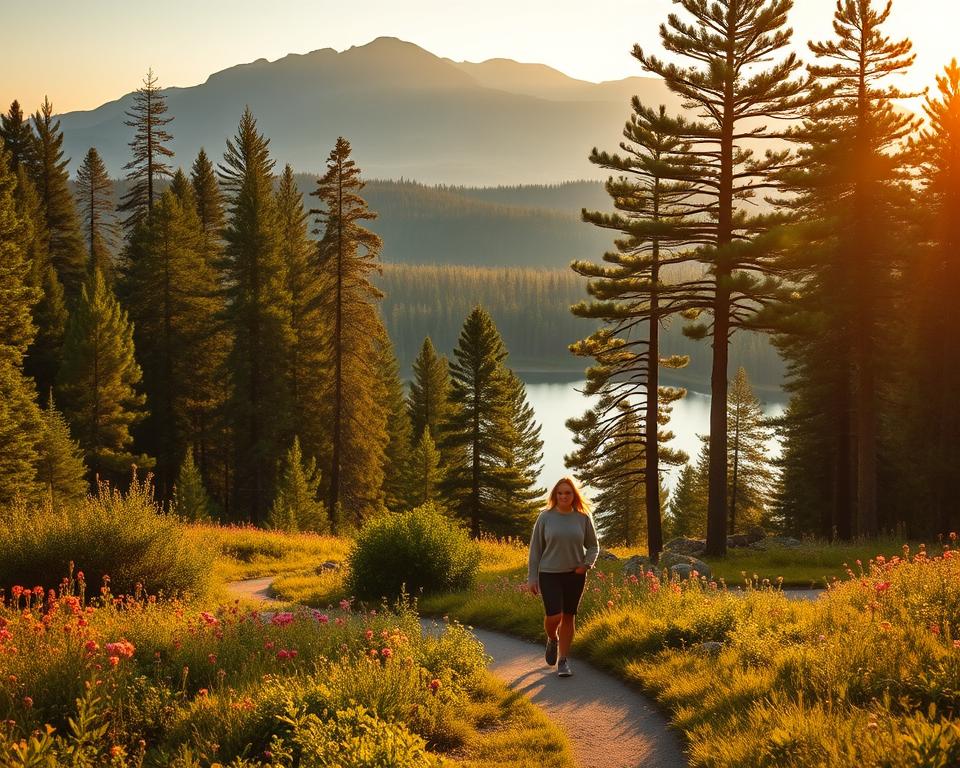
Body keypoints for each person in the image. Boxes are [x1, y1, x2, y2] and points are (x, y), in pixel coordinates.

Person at [527, 475, 599, 677]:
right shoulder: (545, 517)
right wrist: (532, 578)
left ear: (573, 495)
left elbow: (593, 545)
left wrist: (587, 564)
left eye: (568, 493)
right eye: (560, 493)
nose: (564, 496)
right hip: (549, 573)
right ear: (555, 495)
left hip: (575, 575)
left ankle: (563, 661)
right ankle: (552, 638)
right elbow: (535, 550)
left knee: (568, 616)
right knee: (554, 616)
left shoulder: (583, 517)